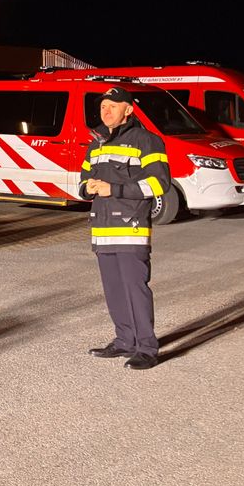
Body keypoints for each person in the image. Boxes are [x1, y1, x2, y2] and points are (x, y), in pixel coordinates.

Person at [79, 86, 171, 370]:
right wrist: (87, 188)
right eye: (103, 106)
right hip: (102, 229)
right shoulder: (96, 144)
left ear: (128, 109)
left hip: (130, 228)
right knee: (114, 290)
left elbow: (159, 184)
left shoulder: (148, 141)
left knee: (135, 289)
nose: (105, 111)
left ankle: (147, 348)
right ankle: (124, 341)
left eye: (113, 106)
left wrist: (113, 188)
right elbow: (82, 182)